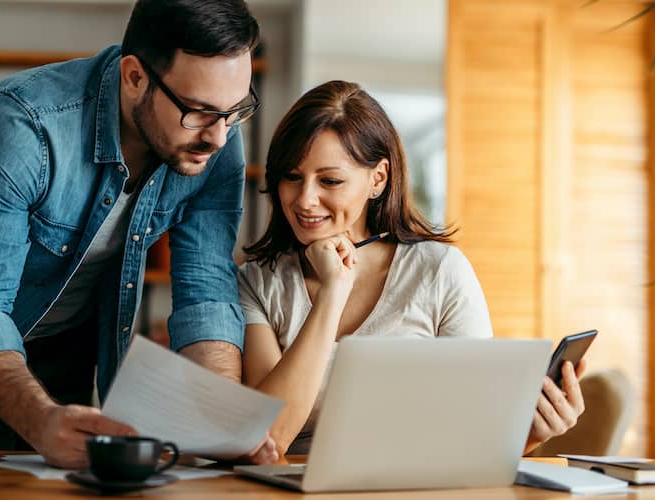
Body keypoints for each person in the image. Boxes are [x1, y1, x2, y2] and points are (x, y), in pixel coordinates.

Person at [0, 0, 278, 468]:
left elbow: (207, 294)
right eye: (198, 112)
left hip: (68, 336)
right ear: (135, 76)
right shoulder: (21, 128)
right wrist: (38, 420)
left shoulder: (215, 133)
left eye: (235, 110)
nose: (219, 137)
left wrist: (218, 420)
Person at [237, 80, 587, 456]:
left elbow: (476, 434)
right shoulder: (257, 283)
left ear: (378, 179)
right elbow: (269, 438)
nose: (305, 199)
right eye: (292, 177)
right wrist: (333, 293)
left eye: (330, 180)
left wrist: (532, 435)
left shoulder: (440, 273)